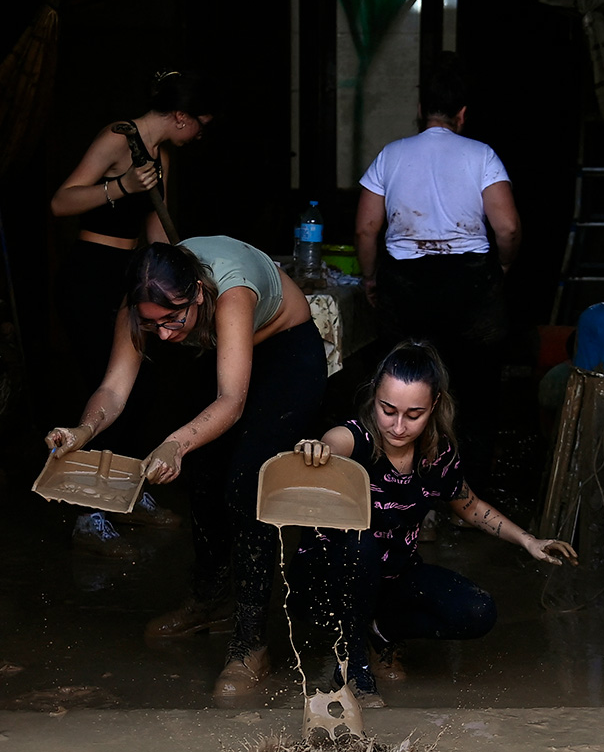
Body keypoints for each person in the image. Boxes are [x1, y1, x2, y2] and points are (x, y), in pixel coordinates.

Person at [45, 237, 327, 700]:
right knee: (205, 478)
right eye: (150, 324)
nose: (164, 336)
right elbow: (113, 391)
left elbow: (231, 402)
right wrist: (81, 432)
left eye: (172, 320)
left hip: (283, 353)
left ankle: (250, 643)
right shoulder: (147, 304)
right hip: (216, 352)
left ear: (197, 292)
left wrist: (175, 443)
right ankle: (208, 601)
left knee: (246, 485)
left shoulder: (231, 294)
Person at [288, 339, 576, 707]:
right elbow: (332, 443)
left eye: (414, 414)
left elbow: (471, 507)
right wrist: (317, 448)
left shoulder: (436, 456)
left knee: (477, 612)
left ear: (434, 406)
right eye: (387, 410)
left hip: (391, 576)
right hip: (330, 578)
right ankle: (353, 663)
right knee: (361, 543)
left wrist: (528, 541)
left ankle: (379, 633)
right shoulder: (355, 440)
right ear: (374, 396)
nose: (397, 426)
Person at [50, 70, 217, 557]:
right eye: (200, 124)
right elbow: (60, 202)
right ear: (180, 116)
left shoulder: (161, 155)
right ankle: (89, 514)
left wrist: (182, 276)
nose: (201, 134)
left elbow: (156, 228)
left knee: (141, 388)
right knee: (102, 389)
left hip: (135, 275)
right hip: (90, 274)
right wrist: (119, 186)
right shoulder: (116, 138)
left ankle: (126, 492)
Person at [355, 52, 521, 494]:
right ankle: (472, 500)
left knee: (406, 397)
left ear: (420, 110)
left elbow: (366, 228)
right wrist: (499, 267)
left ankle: (408, 497)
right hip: (470, 286)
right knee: (477, 392)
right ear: (462, 114)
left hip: (406, 289)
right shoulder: (482, 155)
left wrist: (371, 278)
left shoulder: (390, 156)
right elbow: (506, 227)